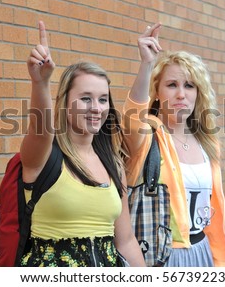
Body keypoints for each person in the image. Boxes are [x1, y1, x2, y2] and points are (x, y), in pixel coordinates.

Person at [18, 20, 145, 267]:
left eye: (103, 99)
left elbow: (126, 241)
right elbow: (40, 130)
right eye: (85, 98)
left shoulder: (113, 164)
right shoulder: (43, 157)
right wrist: (40, 82)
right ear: (65, 103)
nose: (96, 108)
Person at [122, 23, 225, 266]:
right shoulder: (148, 136)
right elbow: (133, 120)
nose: (181, 94)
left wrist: (221, 262)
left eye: (189, 85)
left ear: (198, 93)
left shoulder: (208, 143)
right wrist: (146, 65)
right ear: (157, 92)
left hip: (202, 252)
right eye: (172, 85)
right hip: (160, 256)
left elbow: (214, 212)